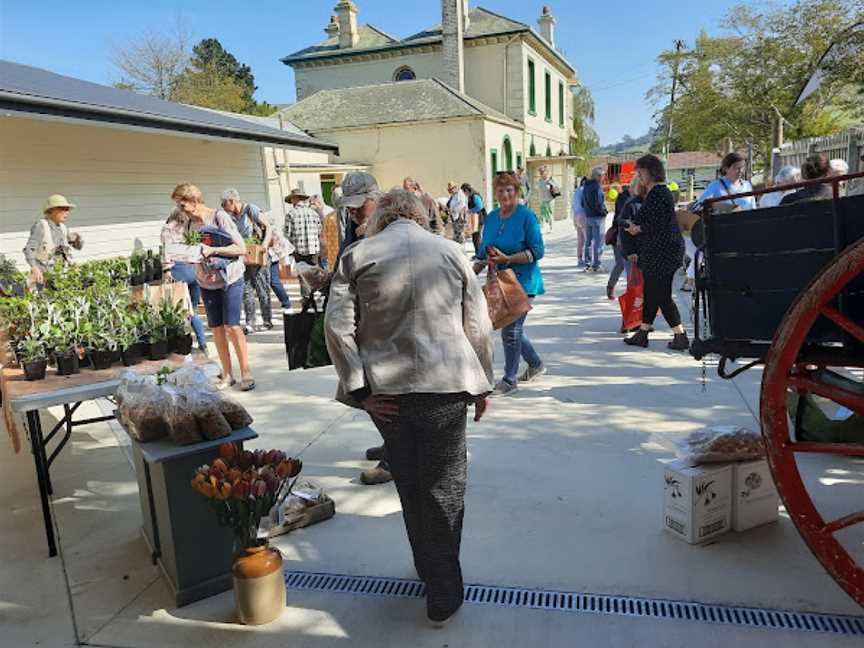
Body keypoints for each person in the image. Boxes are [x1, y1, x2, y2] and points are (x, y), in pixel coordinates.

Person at [325, 188, 493, 628]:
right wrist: (483, 384)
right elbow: (477, 323)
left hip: (388, 395)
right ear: (422, 215)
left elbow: (338, 329)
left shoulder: (358, 255)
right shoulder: (451, 251)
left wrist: (359, 390)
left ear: (380, 216)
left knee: (410, 483)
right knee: (445, 487)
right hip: (446, 388)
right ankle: (443, 589)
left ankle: (427, 567)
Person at [171, 183, 255, 390]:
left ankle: (246, 373)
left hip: (230, 278)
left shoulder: (218, 217)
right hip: (206, 281)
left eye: (182, 205)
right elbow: (194, 251)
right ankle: (227, 375)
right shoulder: (189, 225)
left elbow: (241, 248)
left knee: (232, 326)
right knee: (217, 328)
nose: (180, 210)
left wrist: (212, 250)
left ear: (194, 201)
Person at [474, 172, 546, 396]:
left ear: (517, 191)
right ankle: (535, 364)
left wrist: (509, 259)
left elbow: (537, 251)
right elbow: (482, 251)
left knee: (511, 330)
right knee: (511, 328)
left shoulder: (526, 216)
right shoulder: (493, 217)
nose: (504, 194)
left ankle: (509, 379)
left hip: (523, 281)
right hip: (499, 283)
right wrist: (468, 271)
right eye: (500, 190)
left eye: (509, 190)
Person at [623, 155, 689, 351]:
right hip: (660, 251)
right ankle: (643, 333)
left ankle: (680, 335)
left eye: (640, 171)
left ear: (651, 171)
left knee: (661, 295)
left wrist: (638, 229)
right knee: (652, 292)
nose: (639, 175)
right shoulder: (658, 192)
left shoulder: (659, 192)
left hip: (663, 252)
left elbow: (659, 223)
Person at [221, 189, 272, 333]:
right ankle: (250, 323)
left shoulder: (251, 209)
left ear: (231, 201)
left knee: (262, 290)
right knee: (246, 290)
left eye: (224, 204)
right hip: (243, 257)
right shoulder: (231, 217)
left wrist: (264, 245)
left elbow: (268, 227)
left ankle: (267, 320)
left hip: (258, 254)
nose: (223, 208)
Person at [160, 209, 208, 353]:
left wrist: (166, 270)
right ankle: (203, 343)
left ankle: (183, 345)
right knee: (193, 310)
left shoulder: (167, 230)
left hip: (179, 271)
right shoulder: (188, 230)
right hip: (194, 271)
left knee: (179, 311)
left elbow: (166, 252)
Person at [23, 194, 84, 285]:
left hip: (60, 276)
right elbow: (29, 249)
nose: (67, 212)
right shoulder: (41, 226)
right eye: (63, 209)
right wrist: (34, 268)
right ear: (52, 210)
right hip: (43, 276)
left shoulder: (63, 227)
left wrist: (77, 239)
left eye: (67, 210)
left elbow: (78, 247)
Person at [284, 189, 326, 297]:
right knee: (315, 274)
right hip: (314, 250)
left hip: (299, 250)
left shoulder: (290, 214)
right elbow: (319, 230)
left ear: (295, 199)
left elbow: (287, 234)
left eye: (292, 199)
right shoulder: (314, 213)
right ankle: (320, 295)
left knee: (303, 276)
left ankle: (307, 299)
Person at [607, 177, 639, 301]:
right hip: (620, 238)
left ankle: (639, 300)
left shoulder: (639, 200)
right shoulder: (625, 199)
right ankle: (611, 287)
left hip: (630, 240)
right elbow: (623, 220)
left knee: (631, 271)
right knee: (621, 265)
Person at [581, 167, 608, 272]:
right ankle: (596, 265)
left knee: (588, 241)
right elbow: (599, 204)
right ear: (598, 176)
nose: (603, 178)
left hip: (588, 216)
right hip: (597, 217)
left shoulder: (586, 185)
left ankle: (587, 263)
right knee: (598, 241)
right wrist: (604, 212)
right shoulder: (597, 187)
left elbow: (583, 203)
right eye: (602, 176)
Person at [462, 182, 487, 255]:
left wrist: (469, 211)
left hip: (479, 218)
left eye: (464, 191)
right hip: (475, 218)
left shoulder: (475, 196)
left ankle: (480, 254)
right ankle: (477, 253)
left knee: (477, 236)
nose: (464, 194)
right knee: (474, 236)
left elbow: (480, 207)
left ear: (466, 190)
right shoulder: (471, 196)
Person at [535, 165, 558, 233]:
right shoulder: (539, 180)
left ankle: (551, 227)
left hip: (549, 199)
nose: (541, 173)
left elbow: (556, 187)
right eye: (540, 172)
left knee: (549, 213)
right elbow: (537, 188)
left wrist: (552, 186)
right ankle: (542, 227)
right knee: (542, 214)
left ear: (546, 172)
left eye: (542, 171)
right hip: (542, 199)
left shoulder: (550, 179)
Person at [571, 177, 588, 267]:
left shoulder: (576, 191)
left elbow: (573, 205)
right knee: (587, 239)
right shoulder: (585, 190)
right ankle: (587, 260)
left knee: (580, 239)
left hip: (575, 216)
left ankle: (579, 259)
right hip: (583, 215)